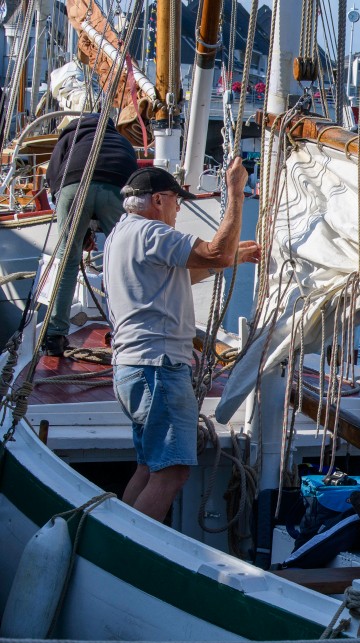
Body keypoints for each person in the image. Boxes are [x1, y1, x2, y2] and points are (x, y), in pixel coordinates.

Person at [105, 158, 261, 522]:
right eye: (178, 202)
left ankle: (118, 533)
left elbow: (178, 278)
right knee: (172, 472)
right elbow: (215, 252)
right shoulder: (151, 232)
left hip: (134, 368)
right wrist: (235, 192)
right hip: (158, 368)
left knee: (148, 468)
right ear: (159, 200)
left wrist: (232, 258)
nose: (178, 210)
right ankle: (132, 548)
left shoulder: (121, 235)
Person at [44, 113, 138, 356]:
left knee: (68, 258)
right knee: (121, 260)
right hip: (116, 189)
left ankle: (54, 334)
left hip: (74, 185)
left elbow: (53, 176)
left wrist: (81, 229)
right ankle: (125, 331)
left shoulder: (72, 136)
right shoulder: (121, 141)